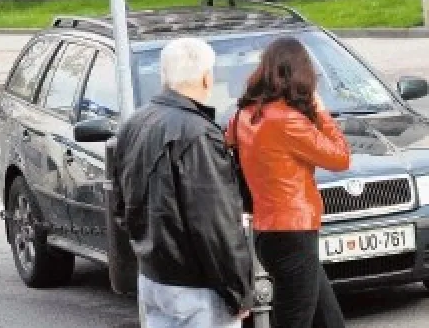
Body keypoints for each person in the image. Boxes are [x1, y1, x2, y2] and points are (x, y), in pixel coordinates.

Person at [113, 38, 253, 327]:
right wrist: (238, 291)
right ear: (206, 78)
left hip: (153, 276)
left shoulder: (135, 124)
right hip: (196, 286)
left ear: (164, 75)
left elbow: (121, 205)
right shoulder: (199, 134)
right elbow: (214, 223)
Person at [227, 37, 350, 328]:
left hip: (268, 231)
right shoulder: (287, 121)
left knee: (328, 320)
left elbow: (231, 148)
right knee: (295, 320)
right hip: (294, 231)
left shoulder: (245, 116)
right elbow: (340, 158)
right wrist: (319, 110)